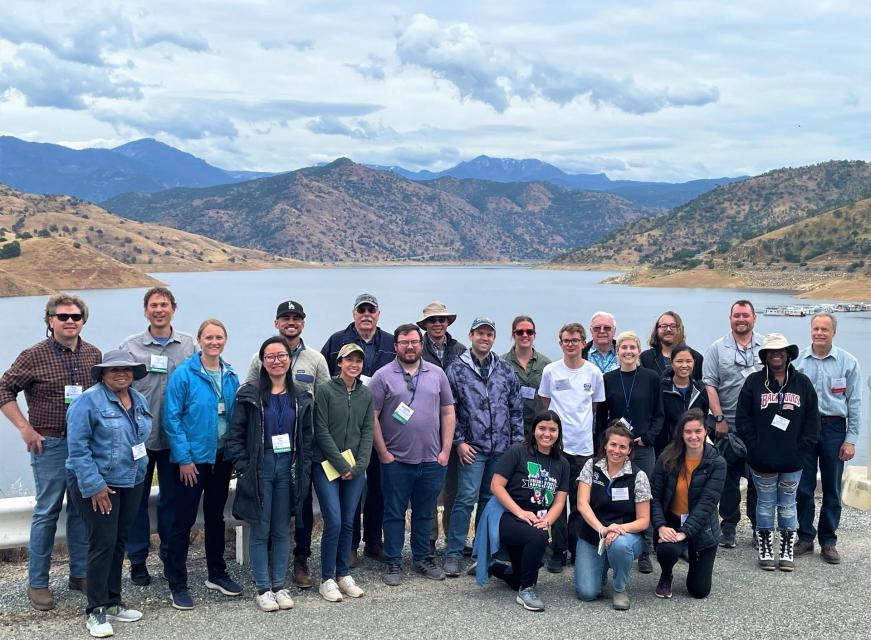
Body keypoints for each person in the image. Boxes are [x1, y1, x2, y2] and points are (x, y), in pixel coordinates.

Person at [0, 293, 100, 611]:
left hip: (85, 446)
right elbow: (4, 388)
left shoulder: (93, 354)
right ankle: (38, 583)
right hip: (51, 445)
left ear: (83, 320)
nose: (69, 321)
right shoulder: (33, 355)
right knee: (46, 513)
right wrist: (24, 427)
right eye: (62, 316)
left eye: (75, 316)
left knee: (82, 512)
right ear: (50, 320)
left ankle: (80, 574)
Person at [66, 351, 151, 637]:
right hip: (100, 485)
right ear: (102, 373)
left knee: (119, 542)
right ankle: (96, 610)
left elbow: (139, 441)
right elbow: (77, 450)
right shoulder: (87, 402)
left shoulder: (138, 400)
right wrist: (94, 486)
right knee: (102, 543)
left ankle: (113, 602)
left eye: (126, 370)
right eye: (113, 370)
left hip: (132, 481)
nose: (121, 374)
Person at [245, 300, 329, 588]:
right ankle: (265, 574)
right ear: (276, 323)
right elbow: (247, 402)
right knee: (266, 520)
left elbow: (323, 405)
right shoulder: (260, 358)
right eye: (285, 317)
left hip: (300, 453)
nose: (291, 322)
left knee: (299, 511)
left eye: (296, 318)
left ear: (303, 323)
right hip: (265, 458)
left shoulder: (316, 360)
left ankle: (298, 562)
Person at [228, 336, 313, 612]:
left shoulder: (301, 395)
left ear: (289, 359)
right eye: (270, 357)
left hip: (288, 469)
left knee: (281, 530)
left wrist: (305, 466)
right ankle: (263, 587)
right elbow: (236, 434)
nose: (276, 361)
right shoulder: (250, 393)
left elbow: (308, 437)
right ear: (262, 362)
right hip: (260, 468)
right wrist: (244, 465)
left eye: (281, 356)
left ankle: (280, 584)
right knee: (260, 529)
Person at [163, 319, 242, 610]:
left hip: (221, 459)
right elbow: (172, 419)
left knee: (215, 518)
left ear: (225, 340)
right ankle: (177, 582)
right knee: (182, 521)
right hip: (192, 462)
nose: (214, 342)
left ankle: (217, 574)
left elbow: (235, 420)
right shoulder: (184, 375)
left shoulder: (230, 375)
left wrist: (234, 454)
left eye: (219, 337)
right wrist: (183, 459)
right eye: (209, 337)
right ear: (199, 340)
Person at [119, 287, 196, 586]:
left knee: (171, 501)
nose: (159, 310)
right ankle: (137, 560)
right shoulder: (130, 346)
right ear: (145, 310)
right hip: (138, 440)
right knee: (135, 501)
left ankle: (169, 555)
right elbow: (115, 385)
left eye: (164, 305)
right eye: (153, 305)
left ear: (173, 309)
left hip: (176, 440)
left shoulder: (189, 345)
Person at [370, 324, 456, 586]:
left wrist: (445, 451)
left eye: (414, 342)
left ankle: (422, 557)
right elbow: (371, 417)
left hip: (431, 459)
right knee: (394, 512)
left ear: (422, 344)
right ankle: (393, 561)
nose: (410, 346)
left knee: (424, 511)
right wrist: (383, 453)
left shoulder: (437, 373)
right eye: (404, 342)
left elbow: (448, 412)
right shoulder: (382, 376)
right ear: (395, 346)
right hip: (396, 460)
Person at [443, 317, 523, 577]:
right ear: (471, 335)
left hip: (501, 449)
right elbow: (450, 409)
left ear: (494, 338)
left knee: (489, 500)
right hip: (472, 449)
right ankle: (453, 552)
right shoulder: (456, 369)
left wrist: (517, 445)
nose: (484, 338)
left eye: (489, 334)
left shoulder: (505, 369)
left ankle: (482, 552)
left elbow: (515, 409)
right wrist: (459, 442)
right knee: (465, 498)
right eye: (480, 333)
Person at [321, 293, 396, 564]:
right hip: (346, 433)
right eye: (361, 309)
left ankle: (374, 542)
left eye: (371, 310)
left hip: (382, 429)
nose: (367, 314)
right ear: (354, 313)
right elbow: (322, 380)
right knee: (349, 482)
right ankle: (350, 545)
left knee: (378, 488)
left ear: (378, 314)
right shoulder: (336, 342)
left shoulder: (390, 343)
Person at [736, 333, 819, 572]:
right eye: (772, 351)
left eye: (781, 351)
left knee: (788, 505)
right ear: (765, 355)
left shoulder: (802, 383)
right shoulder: (753, 382)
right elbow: (743, 419)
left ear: (788, 354)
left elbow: (812, 420)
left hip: (793, 460)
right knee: (764, 504)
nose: (777, 354)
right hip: (761, 459)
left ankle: (785, 550)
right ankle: (765, 549)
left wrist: (802, 448)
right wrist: (755, 445)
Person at [794, 312, 863, 564]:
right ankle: (805, 537)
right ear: (810, 331)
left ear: (834, 332)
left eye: (825, 329)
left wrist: (851, 438)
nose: (820, 333)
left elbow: (854, 403)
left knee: (832, 488)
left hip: (835, 429)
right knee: (803, 486)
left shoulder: (848, 362)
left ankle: (828, 541)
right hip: (805, 429)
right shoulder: (798, 362)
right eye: (816, 329)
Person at [485, 411, 570, 611]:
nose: (546, 434)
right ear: (533, 430)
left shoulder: (563, 463)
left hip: (536, 521)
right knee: (538, 538)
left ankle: (495, 567)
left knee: (517, 577)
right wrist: (520, 513)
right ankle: (527, 591)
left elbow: (559, 502)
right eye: (542, 428)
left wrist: (548, 520)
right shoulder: (517, 452)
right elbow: (496, 486)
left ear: (559, 433)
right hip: (506, 515)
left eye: (552, 429)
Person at [595, 330, 663, 574]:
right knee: (613, 494)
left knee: (643, 497)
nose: (628, 352)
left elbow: (659, 414)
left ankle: (645, 551)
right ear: (617, 351)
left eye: (632, 347)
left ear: (638, 350)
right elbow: (601, 417)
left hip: (642, 448)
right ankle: (609, 541)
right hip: (614, 449)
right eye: (623, 347)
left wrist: (647, 438)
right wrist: (602, 447)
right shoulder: (608, 379)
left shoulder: (651, 378)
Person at [538, 322, 604, 572]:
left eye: (576, 340)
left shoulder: (593, 372)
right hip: (556, 447)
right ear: (560, 343)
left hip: (584, 447)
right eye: (566, 340)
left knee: (579, 502)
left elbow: (594, 406)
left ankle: (577, 550)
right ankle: (557, 550)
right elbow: (546, 405)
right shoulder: (550, 371)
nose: (571, 344)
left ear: (583, 342)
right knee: (555, 500)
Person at [311, 343, 373, 602]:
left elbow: (368, 431)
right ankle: (326, 578)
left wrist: (358, 466)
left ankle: (343, 574)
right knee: (334, 521)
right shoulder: (325, 391)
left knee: (349, 521)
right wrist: (341, 464)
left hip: (356, 469)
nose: (354, 365)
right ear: (339, 363)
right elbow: (321, 430)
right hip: (326, 466)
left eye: (358, 361)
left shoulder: (366, 394)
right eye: (349, 360)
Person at [702, 299, 763, 548]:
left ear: (754, 318)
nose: (741, 319)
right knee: (727, 478)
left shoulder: (766, 347)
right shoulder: (717, 348)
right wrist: (719, 418)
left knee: (760, 478)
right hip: (726, 425)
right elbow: (710, 384)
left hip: (759, 428)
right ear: (730, 318)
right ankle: (729, 525)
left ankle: (760, 526)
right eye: (737, 315)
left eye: (745, 315)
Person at [572, 422, 652, 611]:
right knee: (587, 593)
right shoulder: (591, 466)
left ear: (629, 449)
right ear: (605, 445)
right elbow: (582, 504)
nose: (617, 450)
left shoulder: (638, 476)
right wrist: (603, 529)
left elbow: (644, 520)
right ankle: (603, 564)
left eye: (623, 446)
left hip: (626, 536)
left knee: (619, 545)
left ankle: (619, 587)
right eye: (613, 445)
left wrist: (618, 529)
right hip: (594, 535)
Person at [650, 409, 726, 600]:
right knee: (667, 548)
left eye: (698, 431)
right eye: (688, 432)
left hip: (702, 527)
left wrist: (685, 532)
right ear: (681, 433)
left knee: (699, 591)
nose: (693, 436)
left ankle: (690, 553)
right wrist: (660, 526)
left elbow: (707, 503)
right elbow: (655, 497)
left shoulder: (717, 463)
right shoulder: (667, 457)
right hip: (673, 521)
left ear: (705, 431)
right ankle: (666, 574)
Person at [417, 301, 466, 555]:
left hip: (454, 427)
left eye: (442, 319)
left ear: (448, 323)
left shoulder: (460, 350)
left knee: (453, 490)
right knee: (428, 489)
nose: (438, 324)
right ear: (425, 324)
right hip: (424, 427)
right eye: (433, 320)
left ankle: (452, 540)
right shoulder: (415, 348)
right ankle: (429, 540)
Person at [658, 343, 710, 457]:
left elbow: (704, 418)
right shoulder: (662, 389)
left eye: (688, 361)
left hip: (694, 449)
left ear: (694, 363)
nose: (684, 365)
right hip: (666, 450)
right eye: (679, 361)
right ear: (672, 363)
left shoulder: (700, 390)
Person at [502, 315, 551, 434]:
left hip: (539, 430)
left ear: (534, 335)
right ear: (513, 335)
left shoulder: (546, 365)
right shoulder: (501, 364)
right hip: (509, 430)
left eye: (529, 332)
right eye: (520, 332)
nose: (525, 335)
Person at [640, 311, 704, 380]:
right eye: (664, 326)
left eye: (673, 326)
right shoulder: (646, 357)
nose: (668, 329)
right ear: (657, 330)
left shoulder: (696, 357)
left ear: (680, 329)